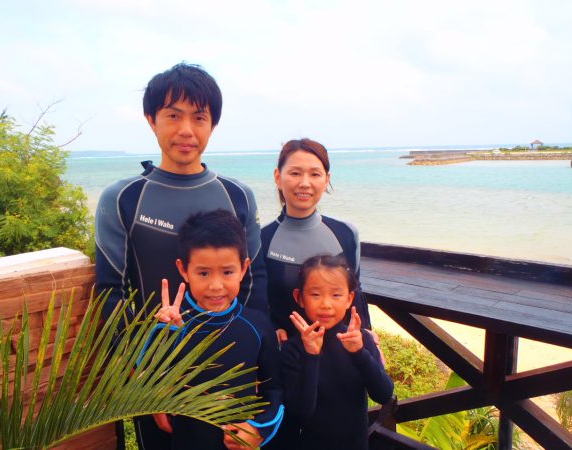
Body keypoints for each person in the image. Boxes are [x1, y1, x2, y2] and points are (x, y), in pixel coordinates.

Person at [95, 63, 268, 449]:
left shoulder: (237, 196)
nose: (186, 130)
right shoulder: (123, 198)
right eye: (173, 116)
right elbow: (111, 292)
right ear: (151, 120)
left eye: (199, 117)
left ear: (213, 124)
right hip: (155, 374)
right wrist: (145, 376)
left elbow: (255, 286)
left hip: (231, 373)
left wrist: (257, 369)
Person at [143, 209, 283, 450]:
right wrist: (164, 333)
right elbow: (147, 378)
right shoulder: (171, 323)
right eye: (204, 273)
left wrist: (259, 430)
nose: (216, 286)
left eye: (227, 272)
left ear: (243, 268)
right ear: (183, 270)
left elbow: (274, 389)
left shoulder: (258, 326)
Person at [261, 138, 371, 343]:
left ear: (326, 179)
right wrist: (269, 328)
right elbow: (255, 301)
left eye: (315, 174)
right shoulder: (261, 239)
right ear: (278, 177)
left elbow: (355, 294)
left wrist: (367, 338)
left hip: (339, 352)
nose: (305, 183)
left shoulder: (346, 233)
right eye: (295, 173)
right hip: (285, 353)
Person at [281, 254, 394, 450]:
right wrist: (311, 355)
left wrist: (359, 353)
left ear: (350, 298)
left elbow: (384, 394)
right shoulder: (293, 349)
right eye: (315, 294)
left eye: (336, 295)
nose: (326, 304)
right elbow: (301, 411)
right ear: (299, 298)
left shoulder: (360, 340)